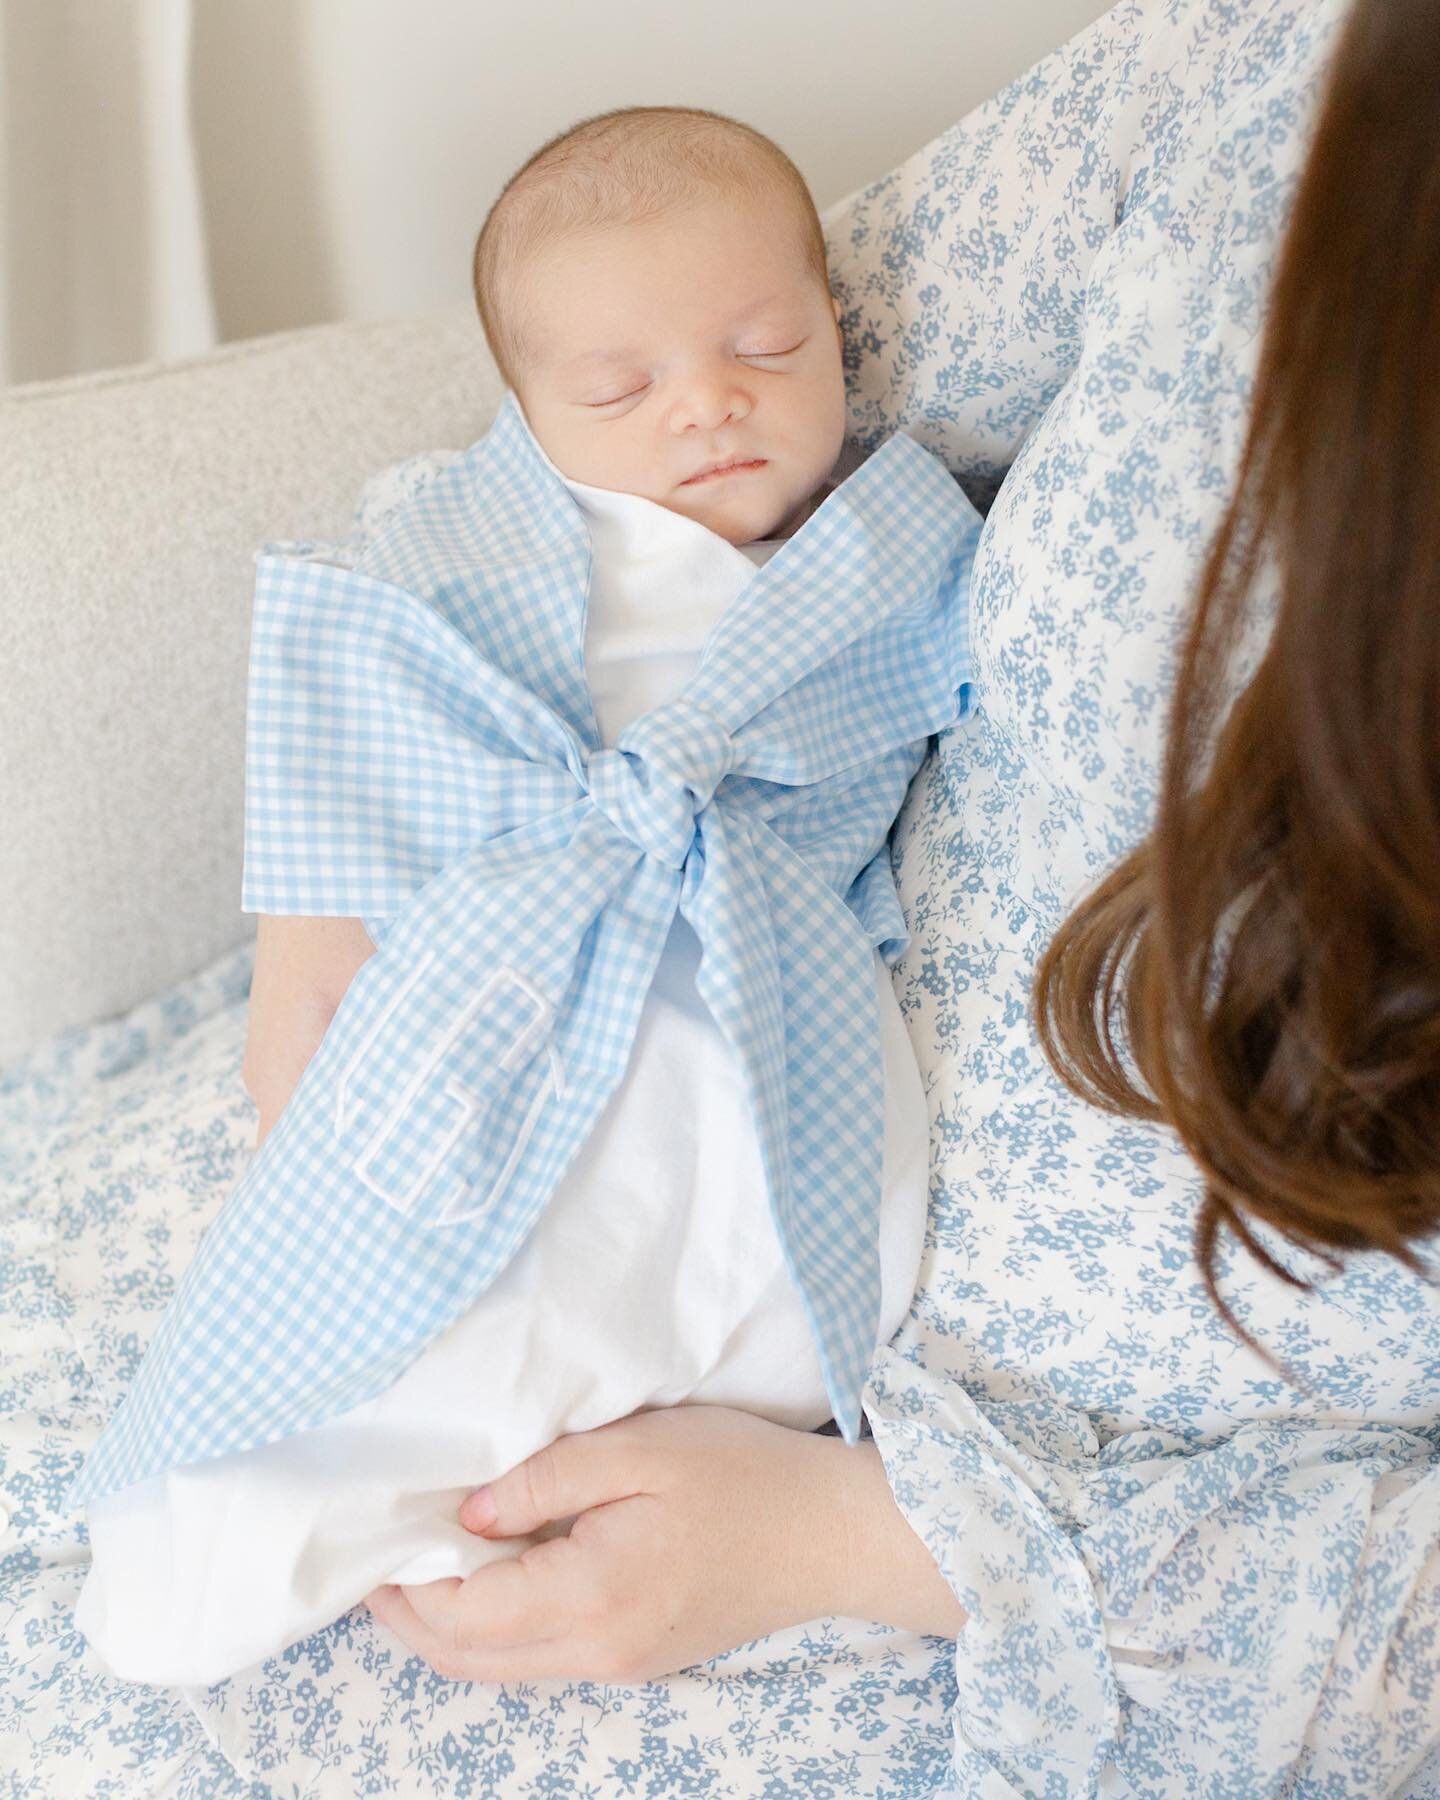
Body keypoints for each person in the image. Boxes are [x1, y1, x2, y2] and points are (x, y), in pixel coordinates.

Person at [359, 0, 1440, 1794]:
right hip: (646, 1074)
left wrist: (862, 1544)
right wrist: (335, 899)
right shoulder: (1291, 67)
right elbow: (652, 332)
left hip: (1076, 1597)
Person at [65, 107, 981, 1684]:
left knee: (748, 1260)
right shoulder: (454, 561)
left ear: (838, 325)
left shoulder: (892, 554)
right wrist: (306, 1000)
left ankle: (669, 1444)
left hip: (759, 983)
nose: (709, 405)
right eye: (621, 390)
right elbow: (342, 765)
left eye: (767, 342)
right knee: (437, 1289)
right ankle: (256, 1532)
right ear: (530, 414)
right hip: (517, 980)